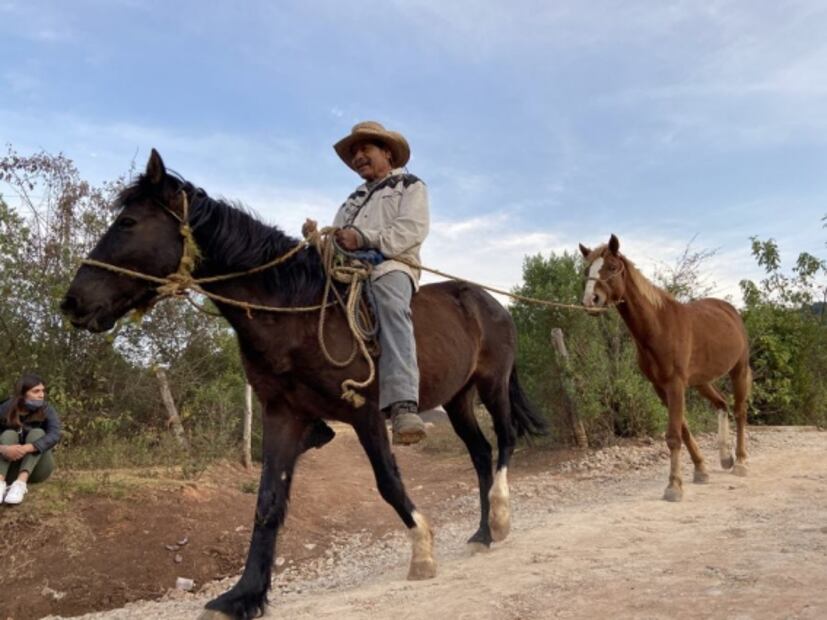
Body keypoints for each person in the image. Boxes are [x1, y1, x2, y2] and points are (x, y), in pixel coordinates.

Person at [306, 121, 430, 445]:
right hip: (349, 272)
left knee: (390, 302)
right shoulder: (350, 201)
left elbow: (409, 231)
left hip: (392, 265)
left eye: (365, 149)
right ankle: (309, 410)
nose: (358, 156)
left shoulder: (410, 186)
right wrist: (317, 243)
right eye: (354, 152)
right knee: (309, 309)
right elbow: (337, 243)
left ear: (387, 153)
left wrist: (362, 237)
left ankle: (404, 405)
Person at [0, 373, 62, 504]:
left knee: (38, 433)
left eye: (42, 391)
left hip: (38, 469)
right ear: (22, 394)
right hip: (10, 468)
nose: (42, 395)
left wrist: (27, 448)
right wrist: (3, 449)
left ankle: (21, 484)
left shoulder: (46, 409)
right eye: (36, 391)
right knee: (8, 435)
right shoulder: (5, 408)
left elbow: (55, 434)